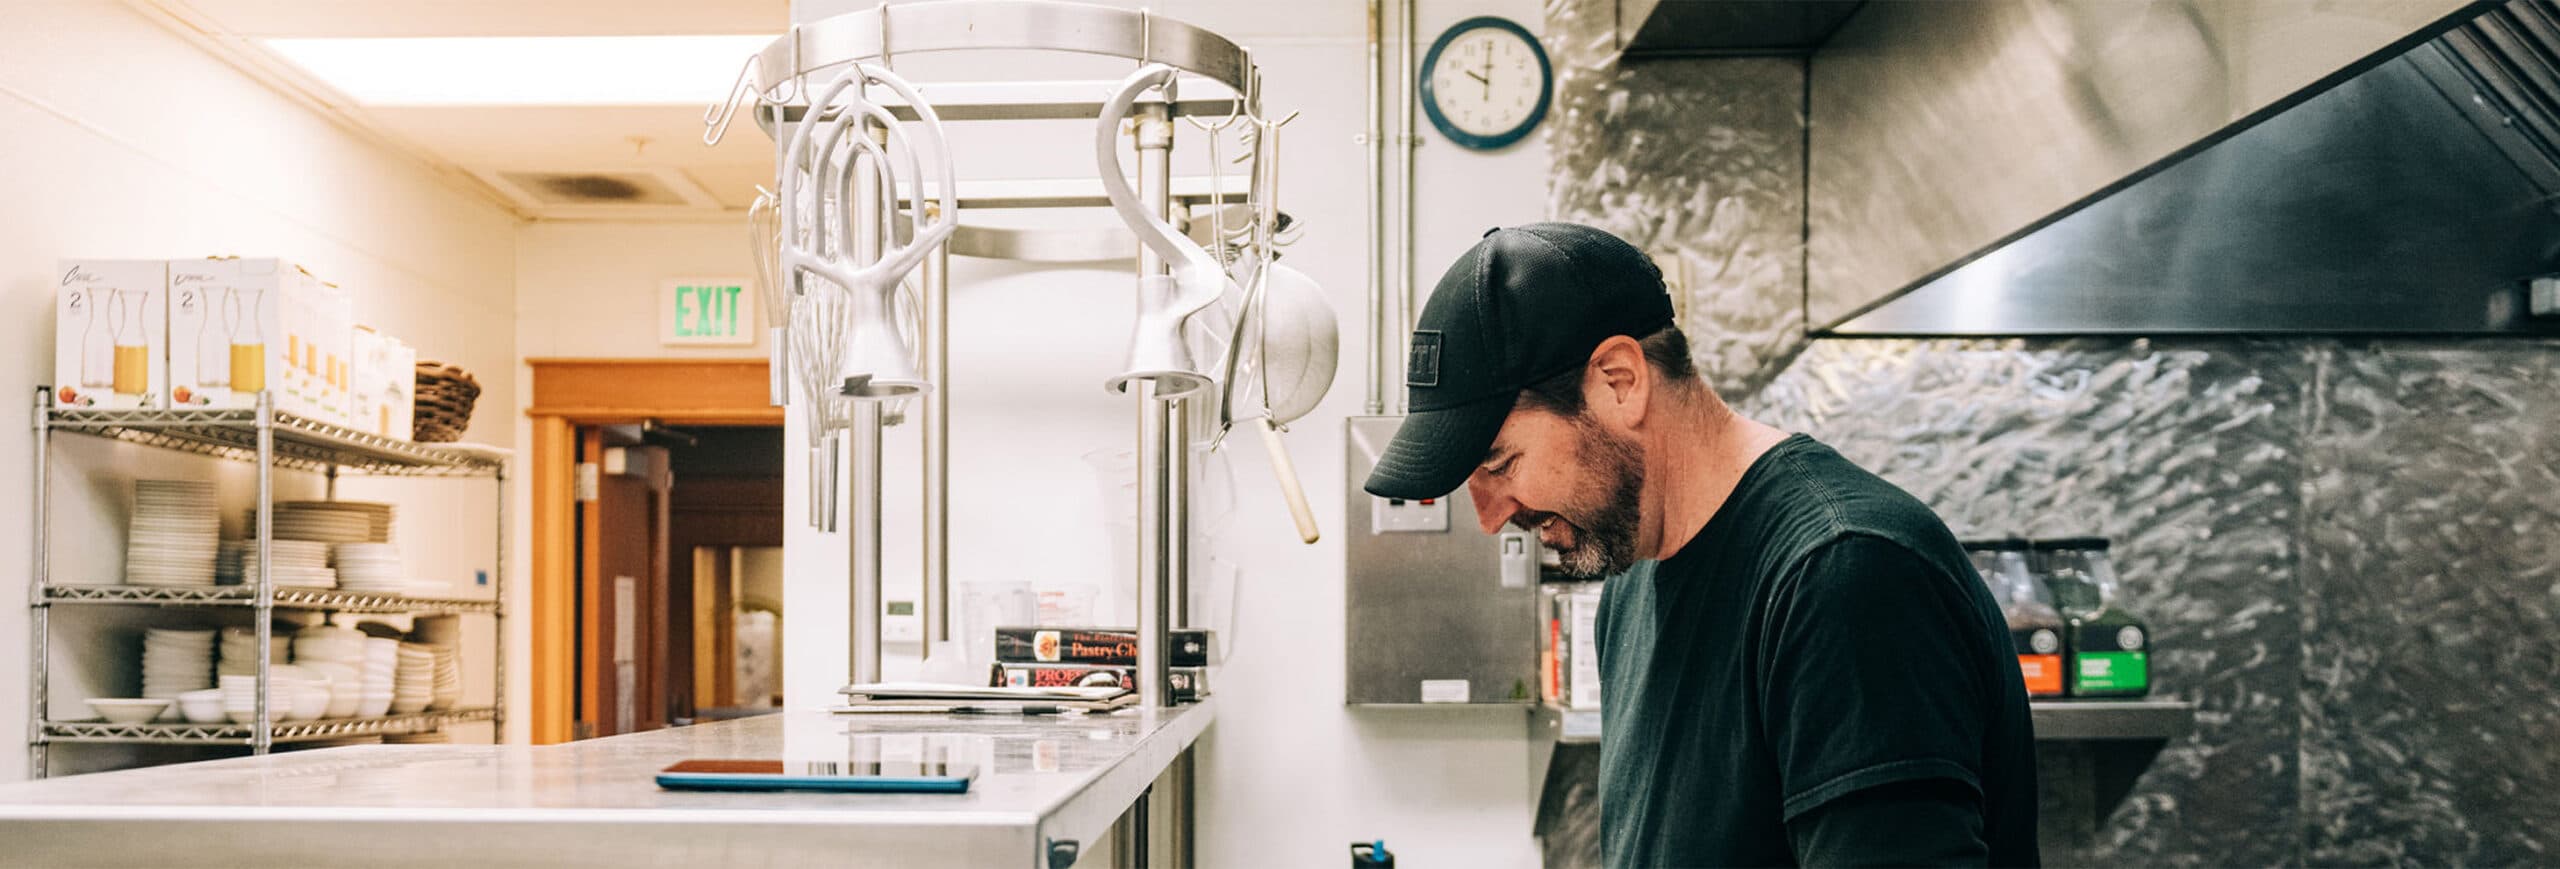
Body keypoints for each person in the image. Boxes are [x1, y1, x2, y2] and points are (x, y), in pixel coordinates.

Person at [1362, 223, 2040, 867]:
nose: (1490, 517)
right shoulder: (1631, 585)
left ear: (1619, 381)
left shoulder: (1843, 574)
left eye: (1501, 463)